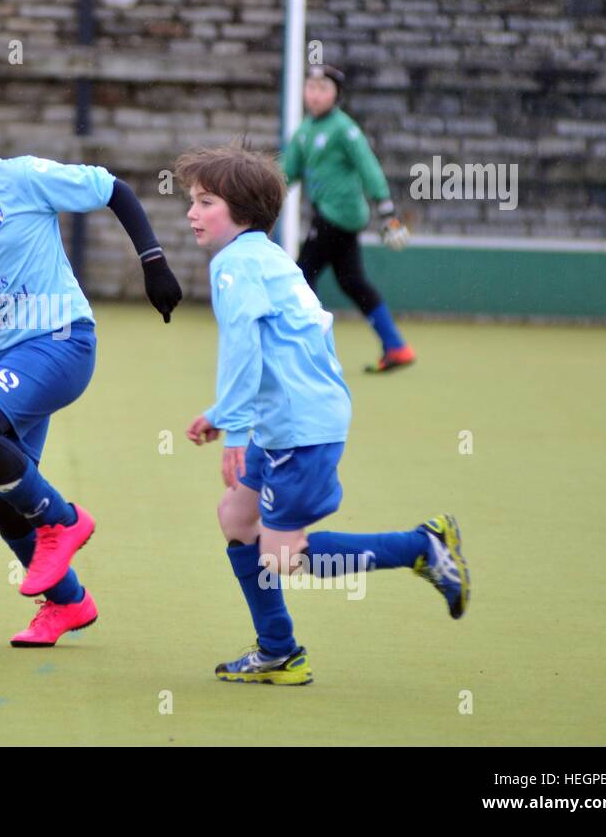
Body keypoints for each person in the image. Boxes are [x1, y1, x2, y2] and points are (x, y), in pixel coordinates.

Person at [0, 83, 182, 647]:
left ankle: (63, 520)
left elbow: (112, 187)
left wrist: (153, 262)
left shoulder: (20, 178)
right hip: (4, 355)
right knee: (0, 498)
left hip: (63, 341)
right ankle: (68, 603)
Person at [178, 142, 467, 685]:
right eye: (192, 201)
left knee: (281, 555)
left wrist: (235, 428)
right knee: (237, 518)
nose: (192, 212)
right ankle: (279, 652)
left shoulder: (235, 265)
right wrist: (226, 412)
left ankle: (420, 546)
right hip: (290, 418)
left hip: (298, 429)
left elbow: (243, 347)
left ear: (240, 211)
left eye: (205, 201)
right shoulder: (266, 256)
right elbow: (279, 350)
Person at [281, 64, 416, 373]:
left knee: (301, 278)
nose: (314, 94)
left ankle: (306, 352)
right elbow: (286, 173)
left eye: (322, 89)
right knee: (352, 281)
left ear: (336, 95)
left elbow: (368, 165)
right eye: (310, 87)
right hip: (331, 217)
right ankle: (396, 346)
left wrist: (386, 208)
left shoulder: (344, 129)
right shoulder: (304, 131)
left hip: (337, 216)